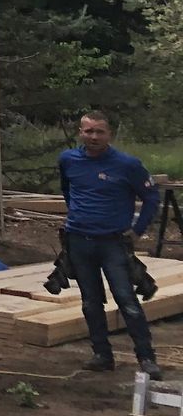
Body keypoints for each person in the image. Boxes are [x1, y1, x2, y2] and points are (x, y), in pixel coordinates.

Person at [58, 111, 163, 377]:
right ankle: (102, 355)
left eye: (99, 131)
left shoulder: (127, 165)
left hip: (112, 243)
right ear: (80, 133)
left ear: (109, 134)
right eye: (88, 131)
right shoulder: (68, 160)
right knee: (91, 302)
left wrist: (137, 230)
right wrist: (77, 215)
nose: (93, 136)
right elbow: (67, 190)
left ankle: (147, 358)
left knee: (126, 300)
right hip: (79, 241)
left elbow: (151, 197)